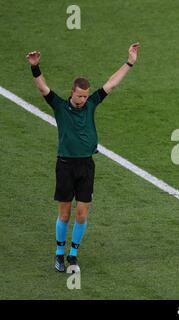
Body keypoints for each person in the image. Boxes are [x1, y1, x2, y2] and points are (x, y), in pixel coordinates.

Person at [26, 43, 140, 272]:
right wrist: (35, 67)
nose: (83, 100)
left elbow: (111, 83)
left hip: (86, 165)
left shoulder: (92, 103)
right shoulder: (59, 106)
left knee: (82, 213)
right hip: (65, 165)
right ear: (72, 93)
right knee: (65, 213)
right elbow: (43, 89)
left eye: (86, 96)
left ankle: (73, 254)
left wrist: (129, 62)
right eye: (80, 96)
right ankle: (59, 253)